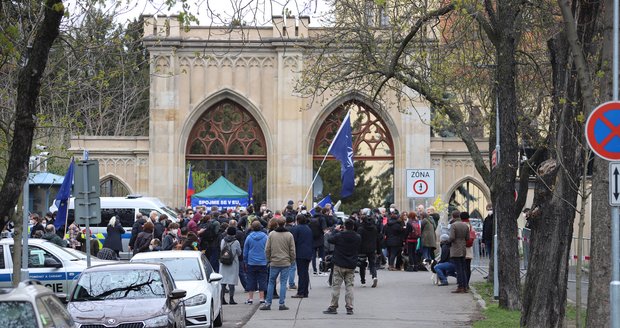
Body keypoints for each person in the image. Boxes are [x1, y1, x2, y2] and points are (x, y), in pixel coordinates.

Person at [323, 220, 361, 315]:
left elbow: (329, 239)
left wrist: (336, 230)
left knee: (336, 286)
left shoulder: (339, 235)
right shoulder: (357, 237)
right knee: (349, 286)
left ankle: (333, 306)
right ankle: (349, 307)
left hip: (339, 263)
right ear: (353, 227)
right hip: (351, 264)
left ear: (344, 226)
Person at [260, 218, 295, 311]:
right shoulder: (289, 235)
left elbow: (267, 249)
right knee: (283, 283)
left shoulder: (271, 234)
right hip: (285, 262)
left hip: (274, 262)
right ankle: (282, 303)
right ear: (284, 224)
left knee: (271, 282)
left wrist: (268, 260)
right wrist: (292, 260)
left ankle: (268, 303)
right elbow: (292, 250)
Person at [243, 220, 269, 304]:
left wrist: (245, 261)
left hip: (251, 261)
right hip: (263, 261)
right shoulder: (265, 237)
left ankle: (250, 298)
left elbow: (245, 251)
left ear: (252, 228)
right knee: (262, 279)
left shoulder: (249, 237)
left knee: (251, 279)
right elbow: (268, 249)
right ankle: (262, 298)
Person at [290, 214, 313, 298]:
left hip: (300, 253)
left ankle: (301, 292)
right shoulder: (308, 228)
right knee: (305, 272)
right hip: (308, 252)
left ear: (298, 220)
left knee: (301, 273)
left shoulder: (296, 228)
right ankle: (305, 291)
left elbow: (293, 241)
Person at [220, 226, 242, 305]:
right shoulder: (236, 242)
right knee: (231, 281)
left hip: (223, 262)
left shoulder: (223, 241)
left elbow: (221, 249)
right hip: (233, 263)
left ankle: (222, 298)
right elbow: (239, 252)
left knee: (223, 281)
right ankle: (231, 299)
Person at [449, 212, 470, 293]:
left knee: (458, 269)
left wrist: (448, 242)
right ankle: (465, 286)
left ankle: (460, 286)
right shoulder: (465, 225)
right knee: (463, 268)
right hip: (463, 247)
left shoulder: (453, 225)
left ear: (453, 216)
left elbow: (451, 237)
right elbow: (467, 238)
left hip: (455, 248)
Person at [358, 213, 379, 287]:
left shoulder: (361, 229)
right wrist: (378, 249)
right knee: (372, 264)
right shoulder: (374, 229)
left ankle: (363, 281)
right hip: (372, 248)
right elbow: (377, 239)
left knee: (362, 265)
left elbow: (359, 239)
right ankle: (374, 276)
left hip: (362, 249)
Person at [309, 208, 327, 275]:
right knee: (321, 255)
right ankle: (321, 269)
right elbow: (324, 229)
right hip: (320, 239)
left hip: (313, 239)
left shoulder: (311, 219)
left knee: (313, 256)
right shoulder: (322, 218)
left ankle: (314, 270)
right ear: (321, 211)